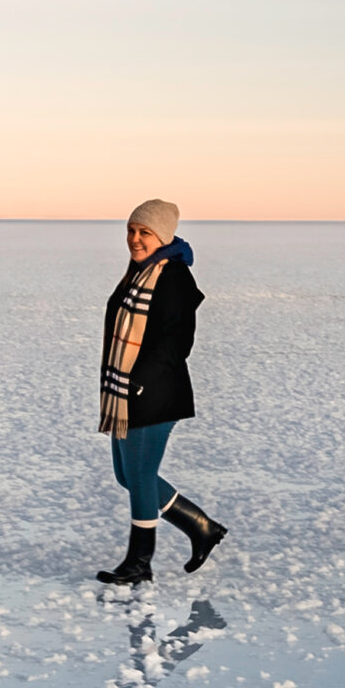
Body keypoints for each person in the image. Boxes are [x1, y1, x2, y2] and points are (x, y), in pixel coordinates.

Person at [95, 200, 226, 586]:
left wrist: (141, 382)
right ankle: (201, 527)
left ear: (163, 236)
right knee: (128, 475)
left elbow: (176, 343)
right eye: (132, 230)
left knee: (139, 475)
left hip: (152, 393)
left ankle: (140, 562)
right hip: (128, 390)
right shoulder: (141, 272)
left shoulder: (172, 277)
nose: (135, 239)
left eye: (144, 232)